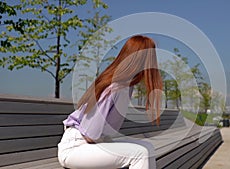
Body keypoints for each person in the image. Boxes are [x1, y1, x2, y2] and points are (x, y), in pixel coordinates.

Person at [57, 35, 162, 169]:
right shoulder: (115, 87)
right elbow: (90, 134)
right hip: (76, 147)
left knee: (148, 147)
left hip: (93, 143)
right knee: (140, 154)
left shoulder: (127, 86)